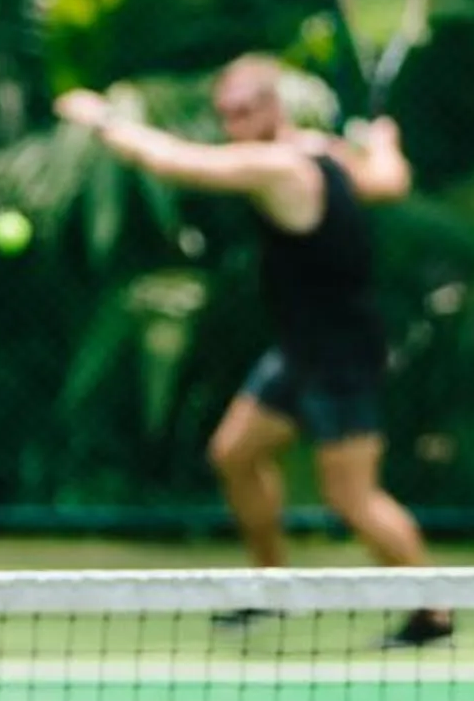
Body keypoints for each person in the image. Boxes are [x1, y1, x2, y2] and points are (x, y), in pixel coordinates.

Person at [56, 54, 452, 643]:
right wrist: (386, 142)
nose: (234, 122)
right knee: (234, 455)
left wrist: (101, 119)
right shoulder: (326, 151)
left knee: (351, 496)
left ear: (272, 106)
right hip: (300, 346)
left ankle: (432, 611)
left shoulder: (275, 166)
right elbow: (389, 181)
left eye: (245, 109)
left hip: (341, 351)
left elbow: (173, 162)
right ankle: (273, 589)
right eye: (226, 113)